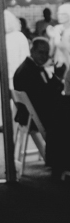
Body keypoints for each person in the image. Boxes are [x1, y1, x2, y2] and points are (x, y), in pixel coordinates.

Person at [13, 37, 69, 176]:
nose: (44, 56)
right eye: (40, 52)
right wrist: (57, 79)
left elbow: (45, 92)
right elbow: (45, 97)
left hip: (33, 113)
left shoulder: (30, 68)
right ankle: (62, 163)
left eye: (46, 53)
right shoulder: (28, 71)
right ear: (32, 51)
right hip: (36, 116)